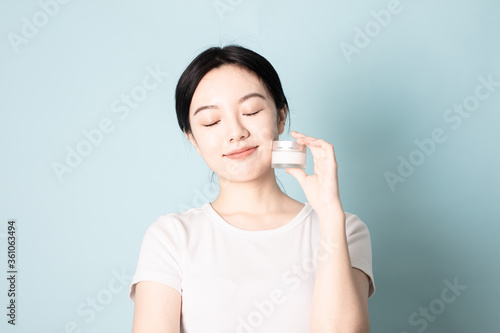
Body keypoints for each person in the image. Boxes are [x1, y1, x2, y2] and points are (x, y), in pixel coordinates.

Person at [129, 45, 375, 333]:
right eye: (212, 121)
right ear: (193, 139)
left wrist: (331, 217)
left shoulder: (345, 229)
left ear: (280, 117)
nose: (236, 132)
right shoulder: (171, 238)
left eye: (251, 111)